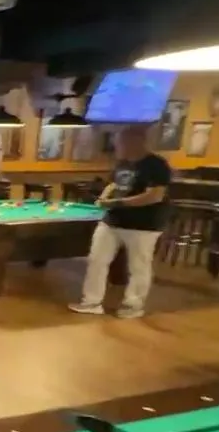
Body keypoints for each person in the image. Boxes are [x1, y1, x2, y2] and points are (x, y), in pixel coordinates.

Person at [70, 125, 172, 319]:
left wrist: (117, 202)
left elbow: (155, 196)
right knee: (96, 259)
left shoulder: (156, 165)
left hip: (144, 224)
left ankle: (133, 306)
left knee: (138, 267)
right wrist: (104, 197)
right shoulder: (122, 163)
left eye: (120, 142)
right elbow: (114, 183)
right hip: (113, 221)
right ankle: (91, 302)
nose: (116, 146)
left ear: (136, 141)